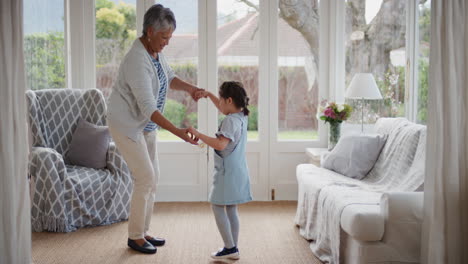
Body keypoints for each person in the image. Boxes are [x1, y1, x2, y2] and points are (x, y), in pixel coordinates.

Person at [106, 4, 202, 254]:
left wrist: (191, 88)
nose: (167, 42)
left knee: (153, 178)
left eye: (169, 37)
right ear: (150, 31)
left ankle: (143, 231)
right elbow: (149, 106)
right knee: (145, 177)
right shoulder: (137, 59)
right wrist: (178, 132)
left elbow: (169, 77)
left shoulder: (154, 52)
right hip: (126, 124)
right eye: (164, 37)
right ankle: (134, 237)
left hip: (144, 125)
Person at [188, 81, 253, 260]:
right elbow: (224, 107)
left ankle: (229, 247)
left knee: (217, 206)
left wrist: (199, 134)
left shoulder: (230, 121)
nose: (220, 104)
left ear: (229, 100)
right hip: (237, 171)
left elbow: (220, 144)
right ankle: (233, 248)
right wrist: (209, 94)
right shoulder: (241, 115)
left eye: (222, 100)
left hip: (227, 174)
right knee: (231, 208)